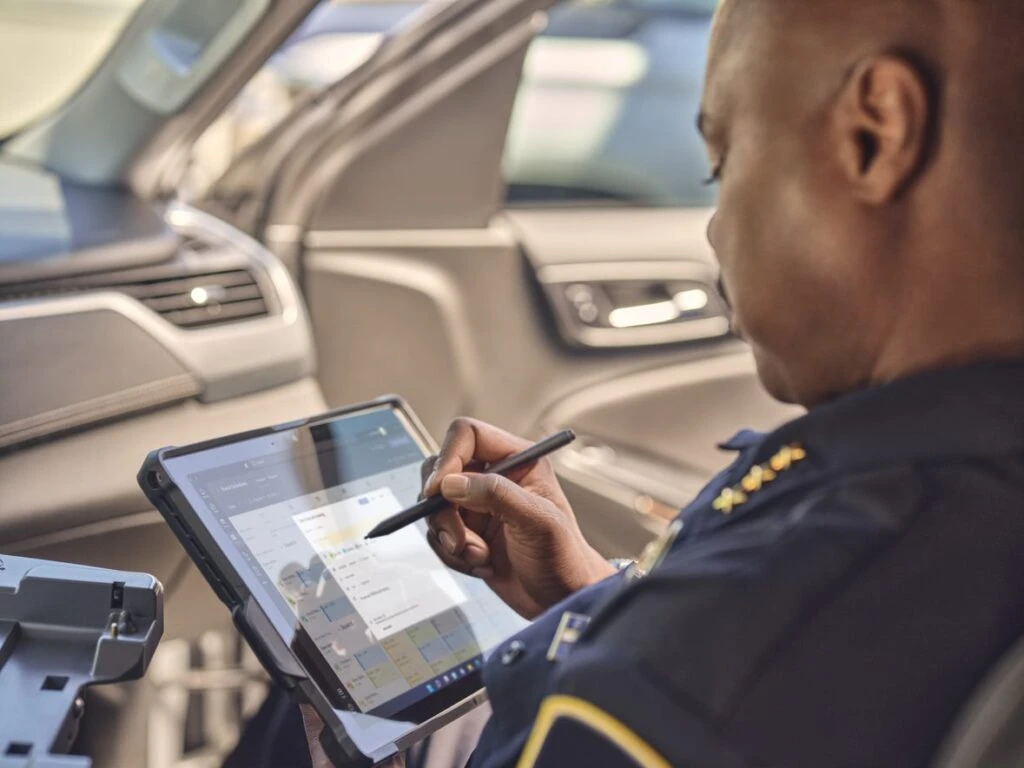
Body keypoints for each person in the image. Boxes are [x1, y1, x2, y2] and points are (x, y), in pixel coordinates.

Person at [305, 0, 1024, 765]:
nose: (714, 228)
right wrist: (592, 600)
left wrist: (642, 642)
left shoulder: (720, 658)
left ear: (874, 134)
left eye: (725, 160)